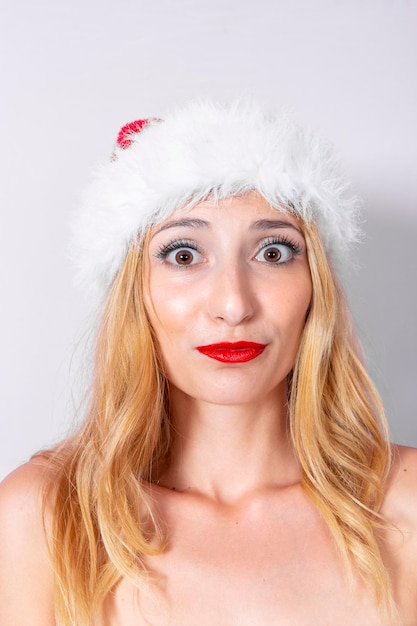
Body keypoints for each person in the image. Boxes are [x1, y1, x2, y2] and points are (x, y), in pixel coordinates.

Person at [0, 100, 416, 626]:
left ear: (316, 286)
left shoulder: (407, 502)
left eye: (273, 252)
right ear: (136, 291)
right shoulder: (46, 516)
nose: (233, 305)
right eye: (183, 255)